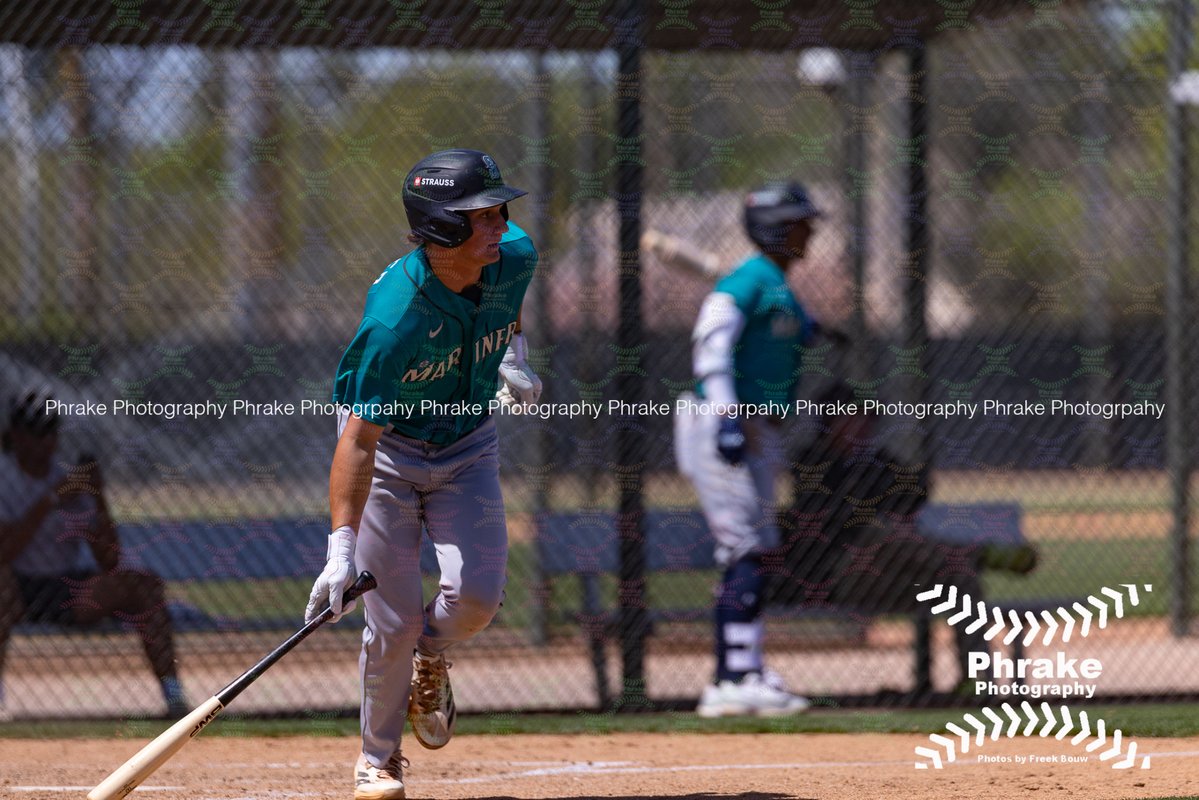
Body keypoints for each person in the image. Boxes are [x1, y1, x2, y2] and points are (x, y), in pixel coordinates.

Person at [305, 149, 541, 800]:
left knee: (476, 598)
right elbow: (356, 440)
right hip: (389, 457)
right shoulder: (393, 318)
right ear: (440, 228)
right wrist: (341, 552)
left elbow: (507, 304)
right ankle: (376, 762)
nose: (499, 224)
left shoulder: (513, 255)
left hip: (467, 443)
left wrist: (512, 355)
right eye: (480, 215)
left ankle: (430, 657)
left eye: (499, 210)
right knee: (392, 621)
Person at [674, 182, 820, 717]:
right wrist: (727, 417)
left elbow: (786, 329)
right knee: (746, 549)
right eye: (801, 222)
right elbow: (711, 346)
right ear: (776, 226)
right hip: (724, 422)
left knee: (758, 546)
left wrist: (811, 331)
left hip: (758, 426)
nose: (810, 232)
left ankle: (743, 671)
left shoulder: (773, 283)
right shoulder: (747, 281)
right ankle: (734, 678)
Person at [0, 388, 187, 719]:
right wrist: (49, 501)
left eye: (51, 433)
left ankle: (174, 696)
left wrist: (98, 498)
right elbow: (6, 549)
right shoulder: (5, 476)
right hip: (15, 584)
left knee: (143, 586)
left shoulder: (67, 480)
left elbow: (109, 561)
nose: (45, 443)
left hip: (64, 587)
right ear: (16, 435)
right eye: (36, 433)